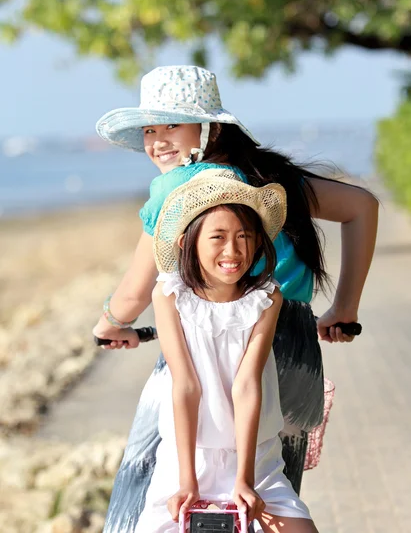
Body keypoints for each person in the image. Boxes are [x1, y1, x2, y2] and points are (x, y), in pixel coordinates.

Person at [93, 66, 378, 531]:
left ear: (210, 128)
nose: (159, 141)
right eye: (150, 129)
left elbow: (132, 293)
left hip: (217, 348)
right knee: (262, 507)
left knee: (147, 488)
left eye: (172, 125)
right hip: (296, 348)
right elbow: (362, 206)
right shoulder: (270, 180)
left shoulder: (181, 190)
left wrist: (108, 324)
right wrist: (344, 309)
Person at [137, 167, 318, 533]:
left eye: (243, 236)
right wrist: (187, 480)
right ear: (187, 242)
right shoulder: (170, 295)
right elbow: (186, 385)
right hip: (187, 456)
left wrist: (244, 478)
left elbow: (247, 384)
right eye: (217, 237)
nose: (233, 250)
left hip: (253, 456)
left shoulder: (266, 299)